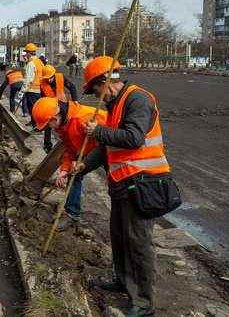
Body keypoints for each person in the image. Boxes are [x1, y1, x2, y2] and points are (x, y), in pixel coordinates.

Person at [76, 55, 170, 317]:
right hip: (122, 184)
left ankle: (143, 301)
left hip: (142, 183)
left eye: (95, 89)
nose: (97, 96)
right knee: (119, 236)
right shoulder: (116, 105)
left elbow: (134, 138)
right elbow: (108, 147)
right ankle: (122, 280)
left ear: (105, 81)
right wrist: (83, 165)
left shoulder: (137, 99)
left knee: (138, 242)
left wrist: (98, 132)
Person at [31, 97, 107, 231]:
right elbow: (70, 150)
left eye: (48, 125)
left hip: (110, 148)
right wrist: (64, 171)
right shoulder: (63, 125)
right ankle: (72, 214)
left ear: (54, 119)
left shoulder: (82, 119)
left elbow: (109, 140)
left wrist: (85, 161)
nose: (49, 128)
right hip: (90, 150)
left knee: (117, 186)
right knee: (74, 174)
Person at [39, 64, 79, 152]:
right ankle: (47, 145)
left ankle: (69, 144)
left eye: (50, 77)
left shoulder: (60, 77)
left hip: (63, 105)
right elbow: (43, 97)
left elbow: (72, 87)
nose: (48, 80)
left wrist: (75, 100)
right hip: (51, 106)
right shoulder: (42, 84)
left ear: (53, 75)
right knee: (48, 125)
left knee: (66, 125)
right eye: (46, 78)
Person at [22, 43, 44, 127]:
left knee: (32, 108)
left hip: (31, 90)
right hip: (39, 89)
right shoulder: (39, 62)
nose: (25, 54)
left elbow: (28, 79)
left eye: (26, 52)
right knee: (36, 108)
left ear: (29, 53)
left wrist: (23, 90)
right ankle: (33, 122)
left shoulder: (31, 64)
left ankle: (35, 124)